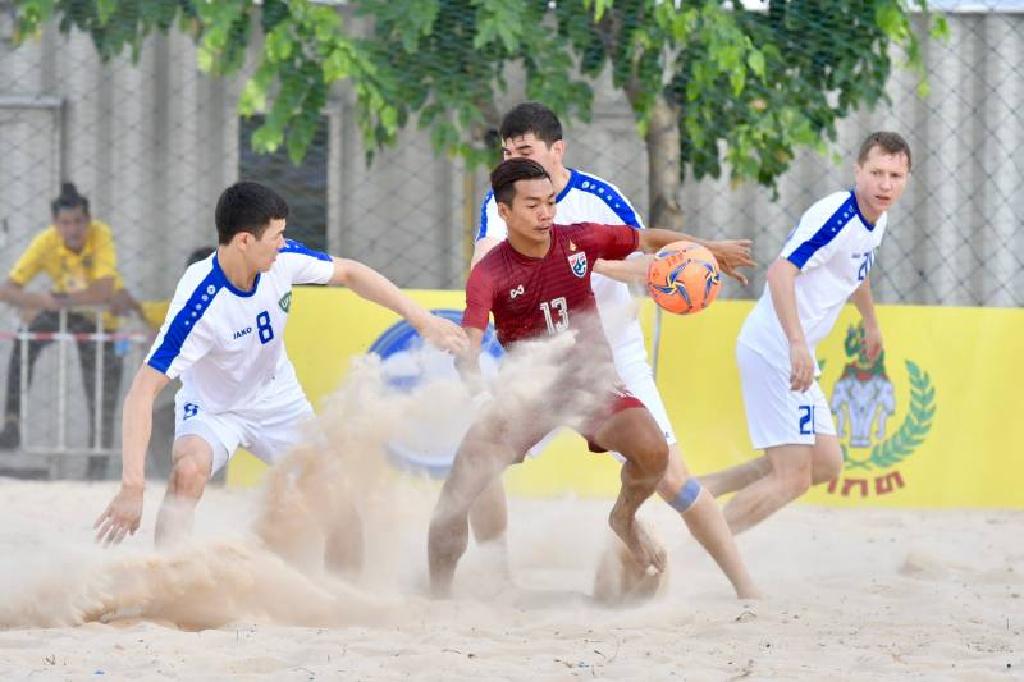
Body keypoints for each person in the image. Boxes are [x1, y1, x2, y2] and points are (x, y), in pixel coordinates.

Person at [428, 158, 758, 598]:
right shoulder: (490, 274)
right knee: (456, 496)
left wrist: (707, 249)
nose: (546, 213)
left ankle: (624, 517)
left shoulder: (579, 239)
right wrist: (479, 399)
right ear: (504, 212)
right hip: (531, 393)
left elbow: (647, 239)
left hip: (590, 383)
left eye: (550, 202)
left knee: (654, 453)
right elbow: (467, 352)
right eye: (533, 205)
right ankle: (437, 599)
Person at [94, 181, 468, 549]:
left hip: (277, 399)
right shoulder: (198, 305)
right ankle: (167, 580)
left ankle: (345, 593)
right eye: (275, 235)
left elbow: (352, 273)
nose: (282, 242)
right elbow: (141, 392)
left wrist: (423, 320)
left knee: (336, 496)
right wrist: (132, 486)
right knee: (188, 472)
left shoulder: (282, 259)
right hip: (213, 408)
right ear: (244, 240)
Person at [701, 132, 912, 534]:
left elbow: (856, 273)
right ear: (858, 171)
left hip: (793, 353)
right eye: (877, 173)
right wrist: (797, 344)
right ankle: (698, 546)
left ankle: (698, 491)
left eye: (896, 175)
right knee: (793, 476)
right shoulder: (837, 216)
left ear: (906, 178)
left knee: (825, 463)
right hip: (776, 349)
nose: (886, 184)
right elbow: (781, 271)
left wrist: (870, 322)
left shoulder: (876, 218)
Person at [0, 182, 127, 479]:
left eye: (79, 222)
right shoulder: (46, 242)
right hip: (63, 310)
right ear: (55, 224)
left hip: (99, 319)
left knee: (99, 387)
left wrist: (50, 300)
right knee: (24, 341)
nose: (73, 230)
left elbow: (104, 291)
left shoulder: (101, 235)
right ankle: (12, 423)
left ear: (89, 221)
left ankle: (97, 466)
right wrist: (35, 301)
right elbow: (7, 290)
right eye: (65, 223)